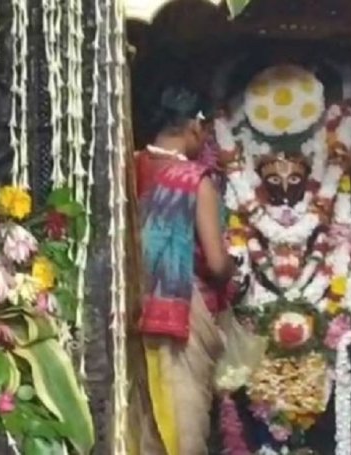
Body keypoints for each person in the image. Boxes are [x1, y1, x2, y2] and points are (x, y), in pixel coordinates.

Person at [128, 85, 234, 455]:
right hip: (181, 318)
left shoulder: (126, 167)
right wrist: (233, 267)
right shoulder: (194, 181)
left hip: (128, 308)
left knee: (137, 420)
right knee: (182, 428)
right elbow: (217, 264)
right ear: (193, 126)